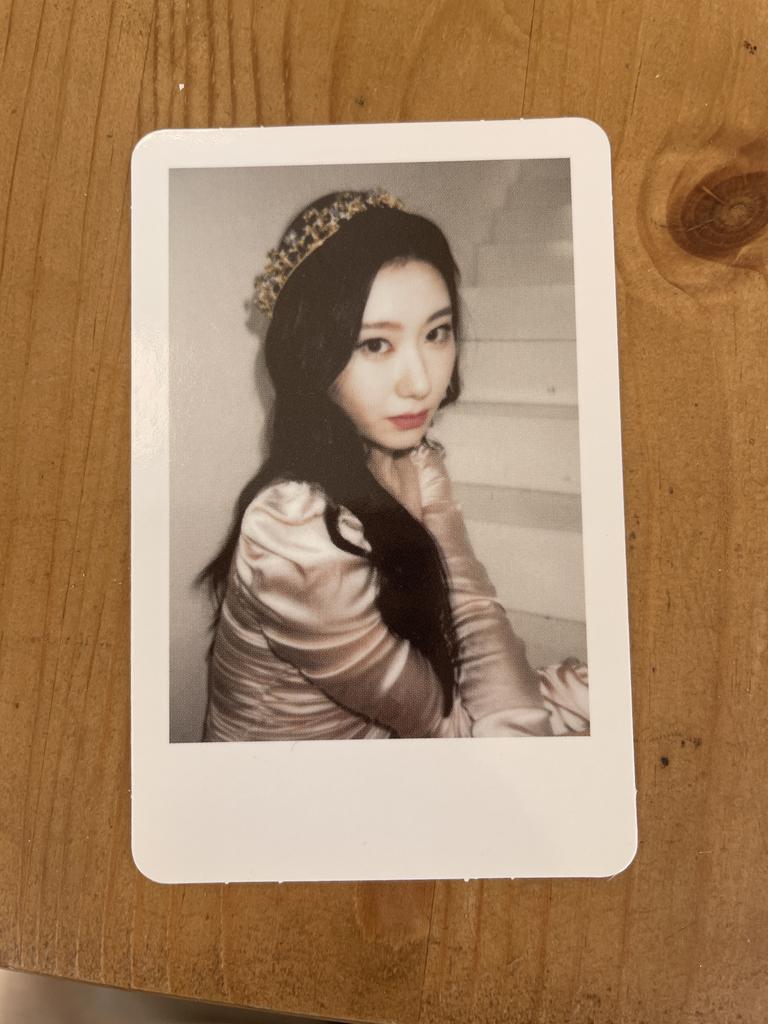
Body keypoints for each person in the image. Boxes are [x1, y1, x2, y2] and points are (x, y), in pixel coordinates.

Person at [199, 189, 589, 741]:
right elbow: (438, 724)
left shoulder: (413, 459)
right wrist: (526, 735)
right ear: (313, 355)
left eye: (437, 333)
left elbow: (472, 609)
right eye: (376, 345)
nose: (421, 383)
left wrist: (523, 720)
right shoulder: (293, 533)